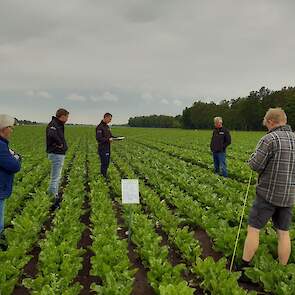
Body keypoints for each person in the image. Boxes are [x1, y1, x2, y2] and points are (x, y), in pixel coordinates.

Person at [242, 108, 295, 267]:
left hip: (268, 194)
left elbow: (255, 164)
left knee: (254, 229)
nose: (267, 127)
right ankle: (282, 269)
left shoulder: (270, 139)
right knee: (283, 233)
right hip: (289, 196)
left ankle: (244, 267)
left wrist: (251, 158)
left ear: (271, 122)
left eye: (267, 124)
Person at [0, 115, 21, 251]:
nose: (11, 131)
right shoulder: (1, 146)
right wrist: (17, 158)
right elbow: (14, 166)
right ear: (3, 128)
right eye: (10, 127)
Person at [46, 108, 69, 209]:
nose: (68, 119)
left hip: (58, 153)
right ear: (62, 116)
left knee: (55, 177)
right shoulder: (54, 124)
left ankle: (52, 195)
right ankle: (53, 198)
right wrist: (59, 144)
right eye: (67, 116)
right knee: (55, 177)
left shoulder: (57, 124)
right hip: (56, 154)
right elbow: (51, 135)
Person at [96, 113, 115, 178]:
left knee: (106, 163)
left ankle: (104, 175)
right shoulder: (100, 127)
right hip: (103, 148)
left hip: (107, 148)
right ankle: (103, 176)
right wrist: (108, 140)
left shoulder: (107, 126)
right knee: (104, 163)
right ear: (106, 117)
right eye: (109, 119)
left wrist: (116, 138)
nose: (110, 120)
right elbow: (99, 138)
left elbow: (110, 136)